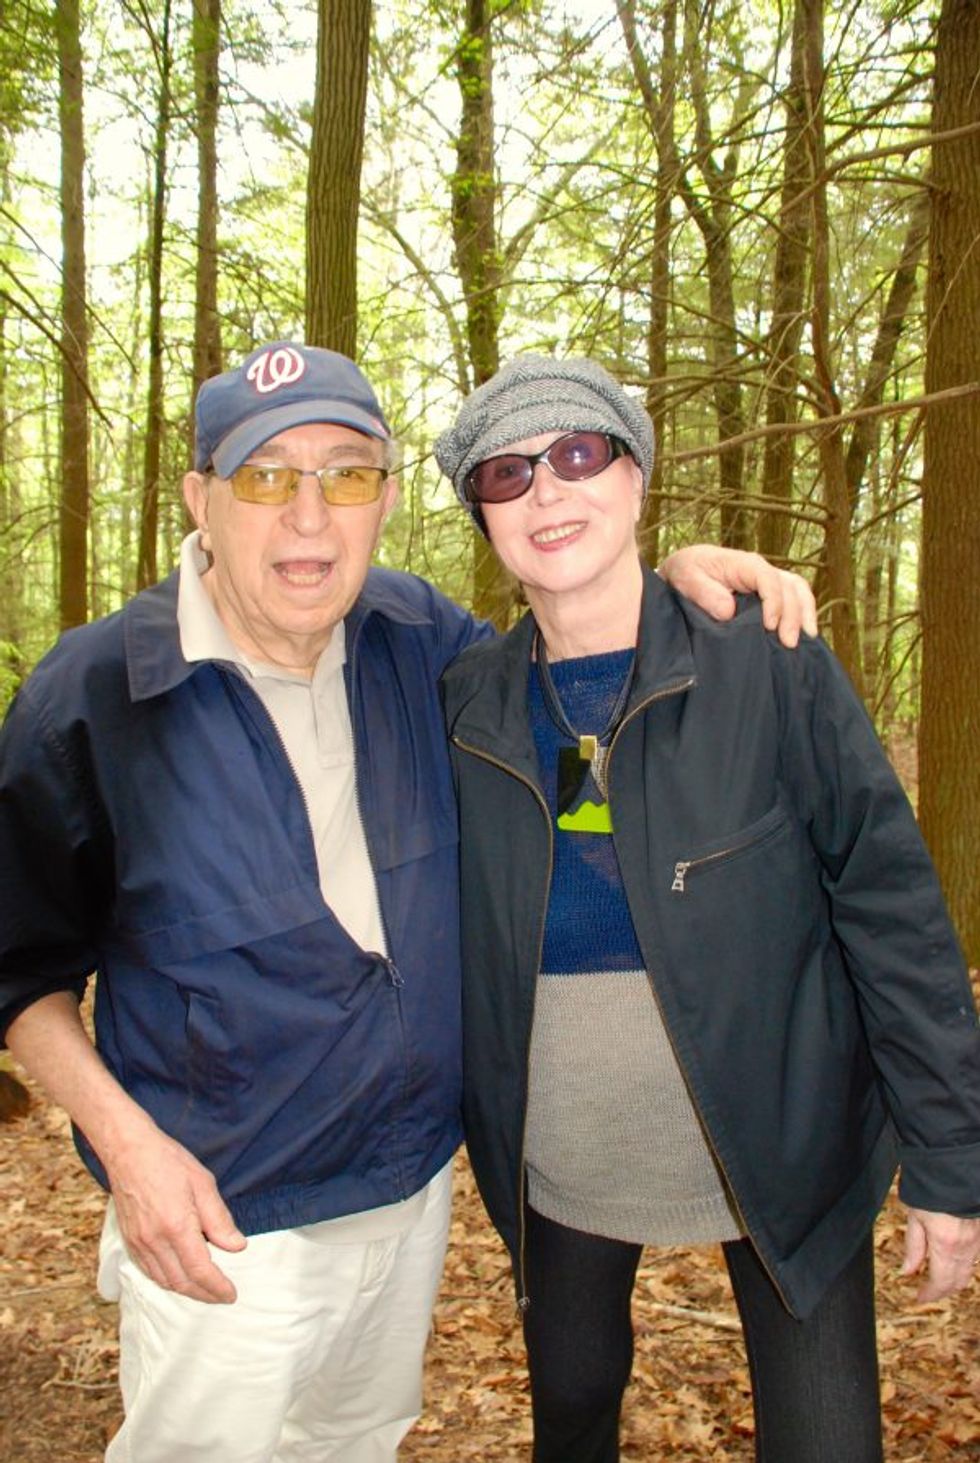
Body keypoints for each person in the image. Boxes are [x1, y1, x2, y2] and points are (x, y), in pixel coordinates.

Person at [0, 341, 815, 1463]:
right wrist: (128, 1148)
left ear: (382, 498)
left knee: (355, 1443)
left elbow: (572, 662)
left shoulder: (418, 644)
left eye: (344, 474)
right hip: (223, 1224)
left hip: (407, 1196)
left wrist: (668, 573)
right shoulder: (95, 698)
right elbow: (20, 970)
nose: (307, 517)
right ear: (199, 498)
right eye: (264, 476)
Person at [435, 353, 980, 1463]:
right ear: (480, 514)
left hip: (784, 1140)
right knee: (574, 1406)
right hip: (565, 1157)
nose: (548, 491)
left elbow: (889, 909)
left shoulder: (767, 663)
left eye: (579, 454)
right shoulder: (462, 706)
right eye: (506, 473)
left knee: (827, 1439)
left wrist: (948, 1157)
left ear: (635, 478)